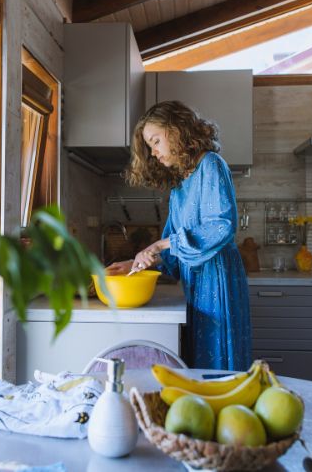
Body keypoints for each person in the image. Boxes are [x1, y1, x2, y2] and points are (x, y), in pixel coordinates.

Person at [106, 101, 252, 371]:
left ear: (177, 129)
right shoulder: (180, 185)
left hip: (217, 279)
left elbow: (221, 225)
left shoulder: (211, 164)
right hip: (195, 282)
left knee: (219, 357)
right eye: (150, 147)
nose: (154, 153)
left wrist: (159, 244)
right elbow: (173, 249)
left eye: (156, 141)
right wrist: (136, 263)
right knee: (199, 358)